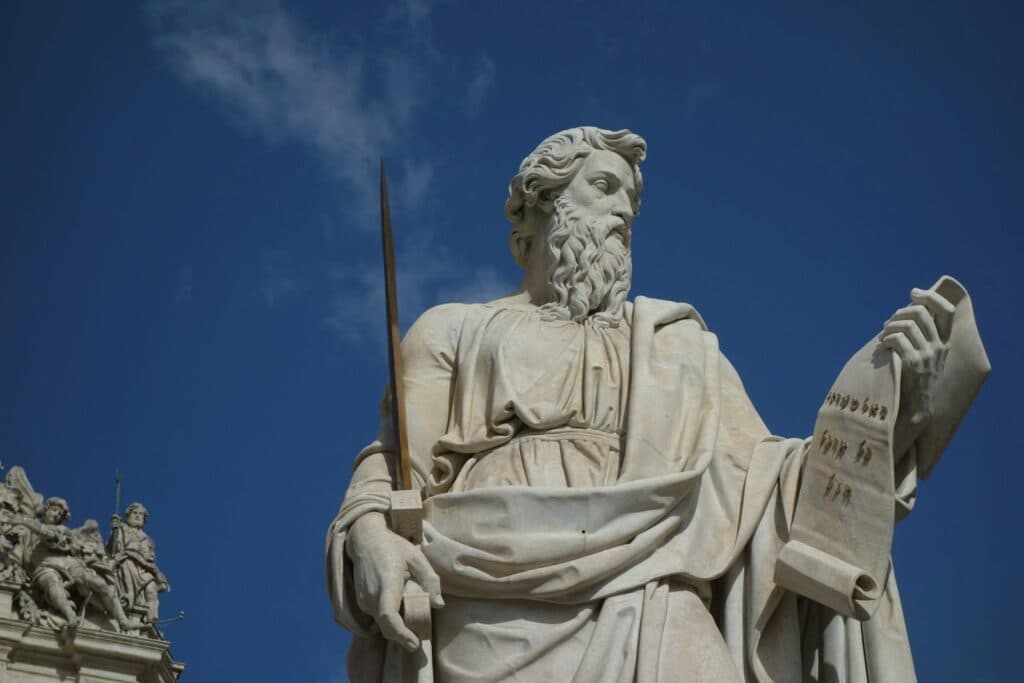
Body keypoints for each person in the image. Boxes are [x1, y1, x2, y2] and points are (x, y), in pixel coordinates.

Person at [326, 127, 987, 682]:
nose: (625, 213)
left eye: (633, 203)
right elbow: (395, 464)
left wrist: (894, 405)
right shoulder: (454, 329)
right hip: (487, 591)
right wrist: (371, 532)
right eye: (605, 187)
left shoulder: (678, 346)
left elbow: (775, 486)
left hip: (659, 584)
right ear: (543, 201)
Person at [20, 497, 141, 632]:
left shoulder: (62, 530)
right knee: (52, 583)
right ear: (46, 510)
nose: (56, 515)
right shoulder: (27, 533)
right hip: (44, 568)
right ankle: (70, 617)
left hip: (69, 565)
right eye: (54, 510)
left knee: (99, 583)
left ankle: (123, 620)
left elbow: (48, 534)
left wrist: (23, 520)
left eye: (60, 514)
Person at [108, 502, 170, 622]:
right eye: (135, 513)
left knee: (151, 590)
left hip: (145, 568)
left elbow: (151, 558)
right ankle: (131, 613)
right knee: (130, 593)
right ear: (128, 515)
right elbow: (113, 549)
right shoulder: (121, 529)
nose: (138, 516)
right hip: (127, 564)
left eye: (141, 514)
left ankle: (150, 620)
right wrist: (115, 531)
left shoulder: (149, 540)